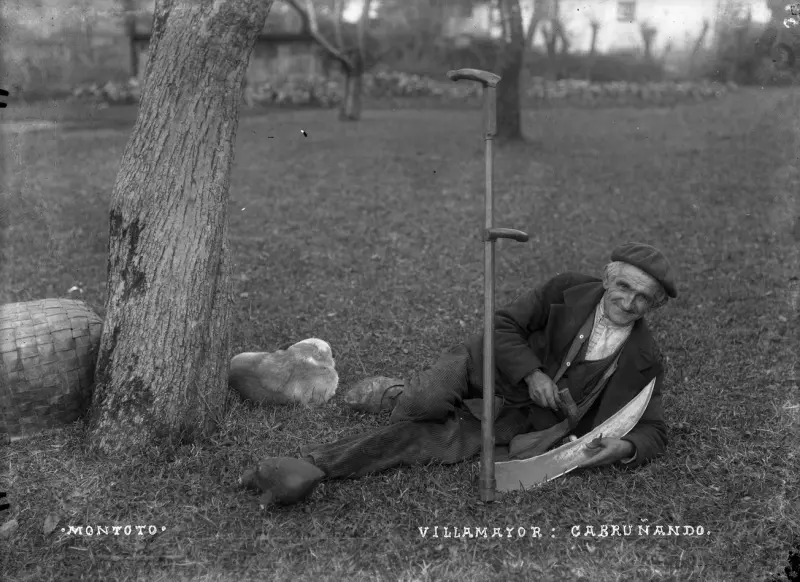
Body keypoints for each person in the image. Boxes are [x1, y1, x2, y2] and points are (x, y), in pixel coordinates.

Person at [250, 242, 677, 502]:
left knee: (433, 439)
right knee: (424, 403)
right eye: (624, 286)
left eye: (643, 298)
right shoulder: (566, 288)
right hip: (484, 365)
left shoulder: (645, 358)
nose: (628, 302)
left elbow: (652, 427)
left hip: (518, 418)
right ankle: (398, 394)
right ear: (608, 278)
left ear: (654, 307)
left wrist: (625, 448)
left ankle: (312, 466)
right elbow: (503, 325)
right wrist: (532, 373)